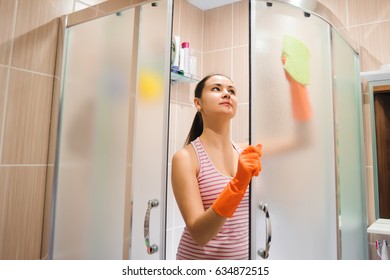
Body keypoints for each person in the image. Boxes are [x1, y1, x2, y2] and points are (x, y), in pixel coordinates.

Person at [171, 74, 262, 260]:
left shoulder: (244, 152)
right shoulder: (186, 158)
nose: (226, 94)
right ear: (198, 103)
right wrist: (237, 184)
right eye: (216, 88)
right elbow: (200, 234)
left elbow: (298, 142)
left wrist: (296, 85)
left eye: (232, 91)